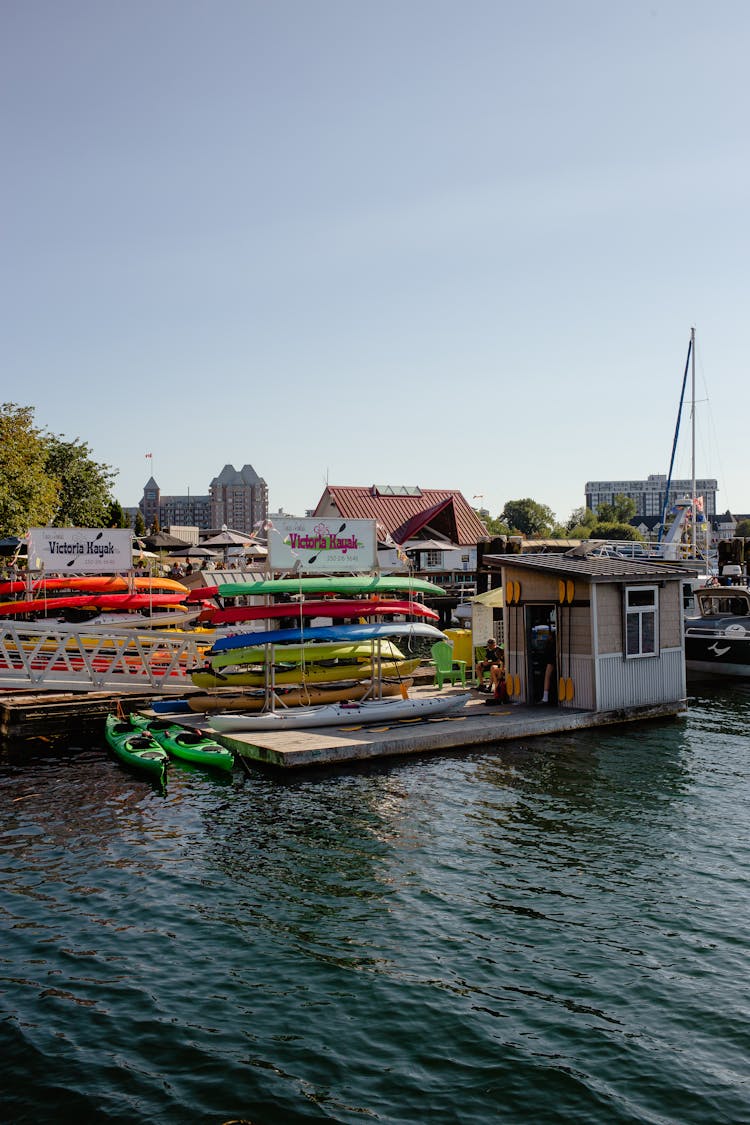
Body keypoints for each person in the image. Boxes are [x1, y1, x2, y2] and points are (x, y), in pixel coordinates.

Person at [541, 630, 556, 703]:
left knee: (547, 677)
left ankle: (545, 696)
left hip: (550, 662)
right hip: (552, 661)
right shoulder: (553, 644)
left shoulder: (549, 644)